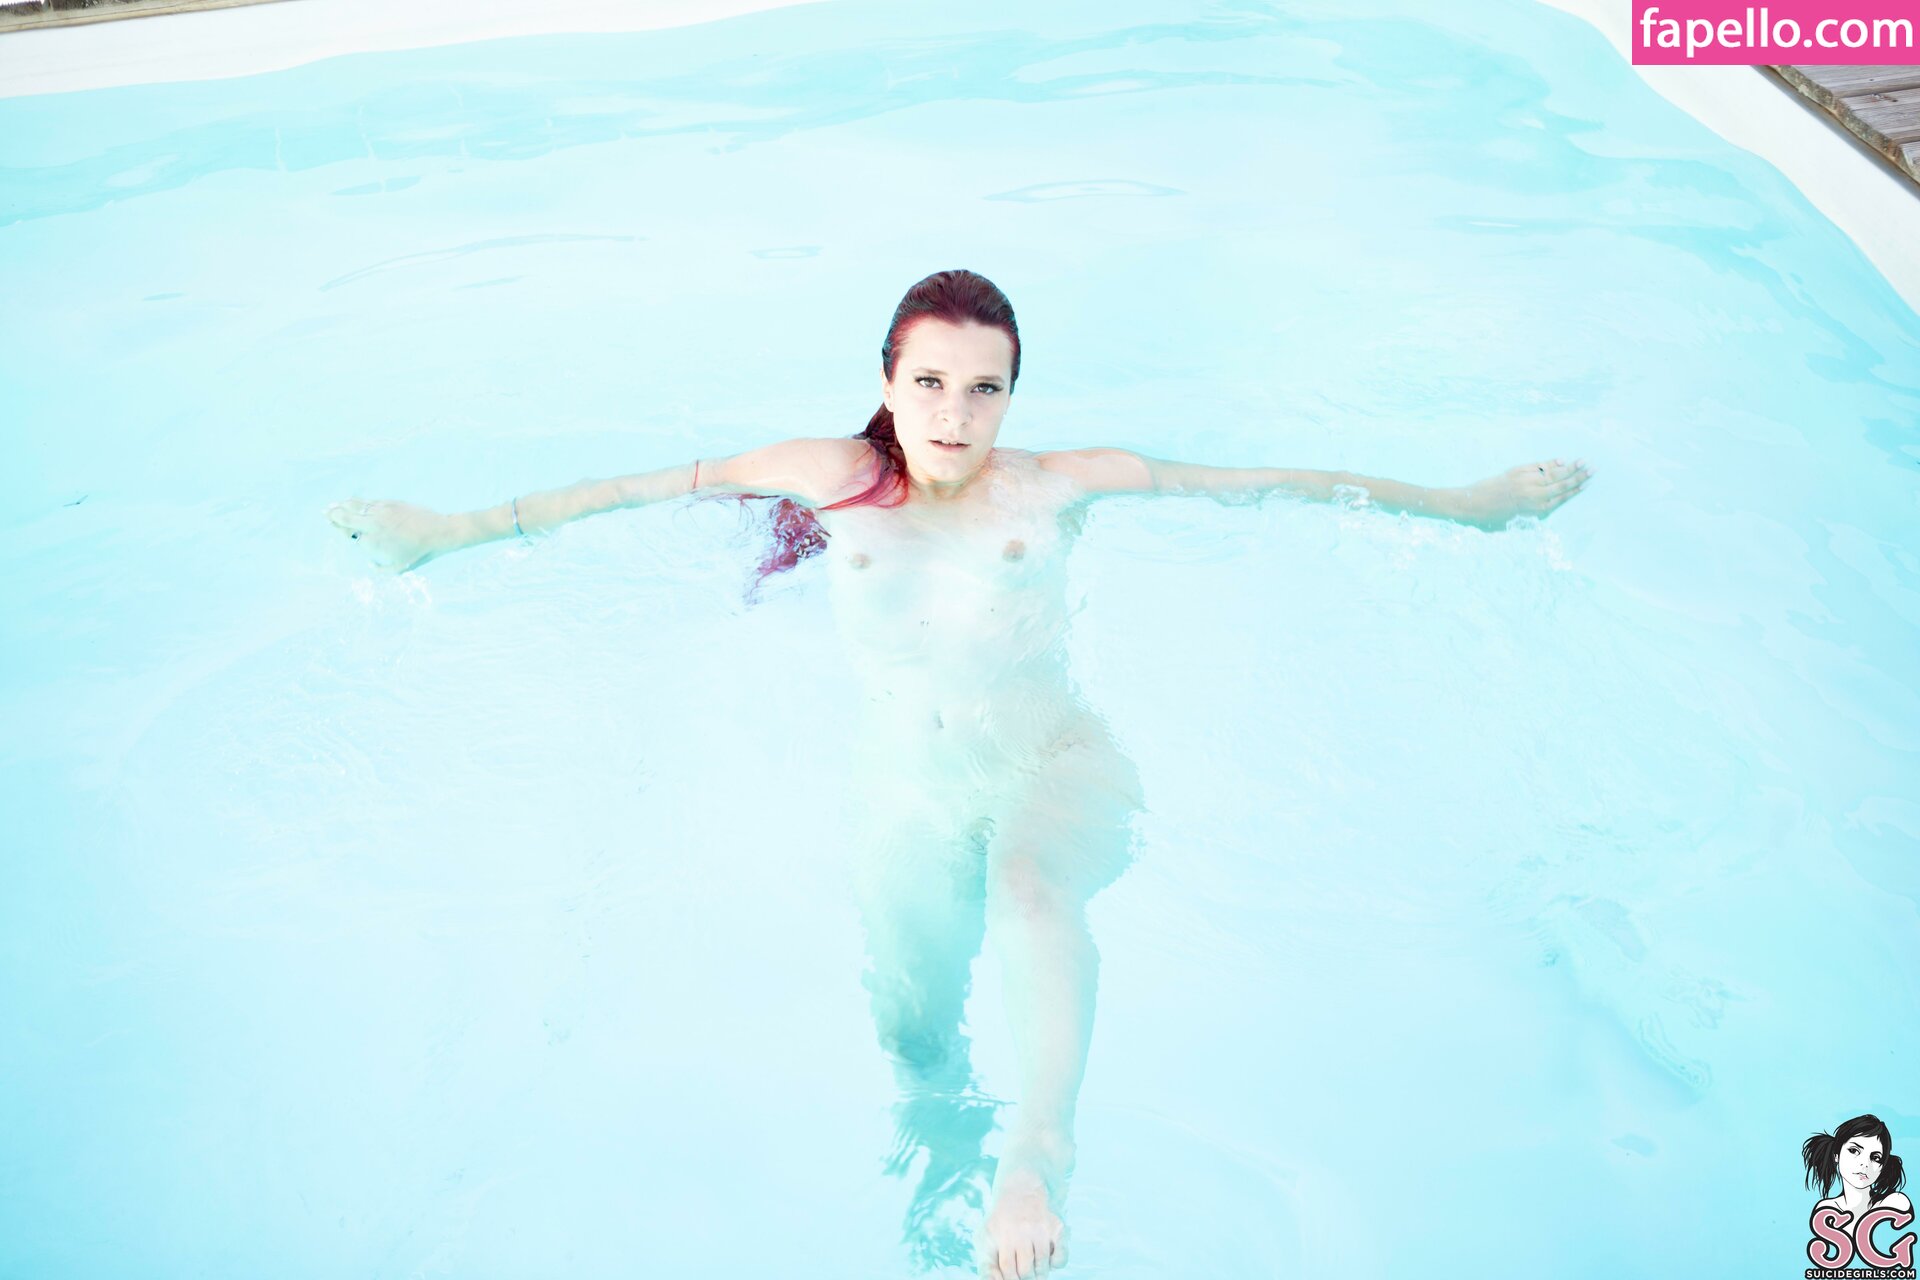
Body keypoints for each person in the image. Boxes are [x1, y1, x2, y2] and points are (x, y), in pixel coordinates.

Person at [327, 269, 1592, 1280]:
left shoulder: (1054, 487)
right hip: (908, 795)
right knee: (913, 1037)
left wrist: (1469, 505)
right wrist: (450, 533)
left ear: (1012, 398)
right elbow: (630, 489)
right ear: (886, 379)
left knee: (1028, 889)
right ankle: (945, 1183)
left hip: (1055, 765)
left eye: (985, 389)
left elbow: (1267, 482)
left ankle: (1038, 1154)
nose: (954, 414)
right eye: (929, 381)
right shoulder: (831, 478)